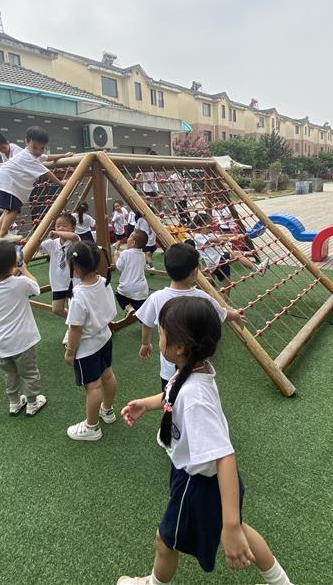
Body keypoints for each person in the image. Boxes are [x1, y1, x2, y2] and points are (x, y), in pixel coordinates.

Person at [117, 297, 294, 585]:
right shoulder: (193, 370)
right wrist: (146, 404)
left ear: (179, 347)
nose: (159, 338)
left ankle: (152, 583)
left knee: (165, 540)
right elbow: (171, 395)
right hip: (202, 479)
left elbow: (224, 456)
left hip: (197, 483)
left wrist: (230, 527)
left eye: (161, 333)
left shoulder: (196, 398)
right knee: (240, 529)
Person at [135, 243, 243, 390]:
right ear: (195, 271)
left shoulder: (156, 297)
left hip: (169, 368)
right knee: (195, 392)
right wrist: (236, 315)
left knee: (169, 397)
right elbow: (223, 314)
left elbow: (147, 323)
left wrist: (145, 343)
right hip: (197, 366)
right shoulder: (202, 297)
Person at [0, 240, 47, 417]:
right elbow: (36, 288)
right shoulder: (21, 283)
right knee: (29, 373)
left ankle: (14, 402)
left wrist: (13, 270)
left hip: (0, 342)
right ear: (13, 263)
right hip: (21, 341)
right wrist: (24, 270)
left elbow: (5, 280)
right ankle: (32, 403)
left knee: (9, 374)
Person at [64, 242, 118, 441]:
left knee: (93, 387)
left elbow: (75, 329)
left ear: (75, 267)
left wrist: (70, 351)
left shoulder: (79, 296)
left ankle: (92, 427)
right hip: (105, 338)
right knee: (108, 375)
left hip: (87, 348)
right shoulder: (103, 281)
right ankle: (107, 410)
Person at [0, 126, 72, 241]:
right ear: (26, 142)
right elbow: (47, 172)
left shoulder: (30, 154)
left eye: (42, 148)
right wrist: (60, 183)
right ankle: (3, 235)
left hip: (3, 182)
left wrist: (64, 155)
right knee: (13, 210)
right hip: (8, 183)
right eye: (35, 147)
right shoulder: (28, 157)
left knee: (7, 211)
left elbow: (47, 157)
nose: (38, 151)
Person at [192, 213, 269, 297]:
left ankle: (224, 304)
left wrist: (236, 235)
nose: (210, 226)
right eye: (208, 224)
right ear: (200, 225)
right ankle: (258, 269)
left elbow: (221, 235)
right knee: (236, 254)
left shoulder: (207, 234)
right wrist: (230, 239)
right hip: (215, 262)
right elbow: (214, 240)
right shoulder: (198, 236)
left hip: (219, 261)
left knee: (227, 286)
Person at [41, 214, 80, 317]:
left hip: (74, 281)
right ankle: (75, 320)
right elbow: (37, 245)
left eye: (65, 226)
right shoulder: (52, 243)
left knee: (75, 308)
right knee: (57, 309)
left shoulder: (75, 241)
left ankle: (76, 322)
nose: (61, 228)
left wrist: (56, 232)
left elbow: (74, 236)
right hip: (58, 282)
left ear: (73, 228)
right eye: (58, 226)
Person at [115, 229, 150, 313]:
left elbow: (119, 267)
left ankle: (128, 308)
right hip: (141, 290)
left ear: (133, 243)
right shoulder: (142, 255)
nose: (127, 239)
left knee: (119, 295)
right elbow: (143, 267)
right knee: (139, 308)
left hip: (127, 287)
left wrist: (116, 257)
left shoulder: (125, 253)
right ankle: (137, 314)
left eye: (129, 237)